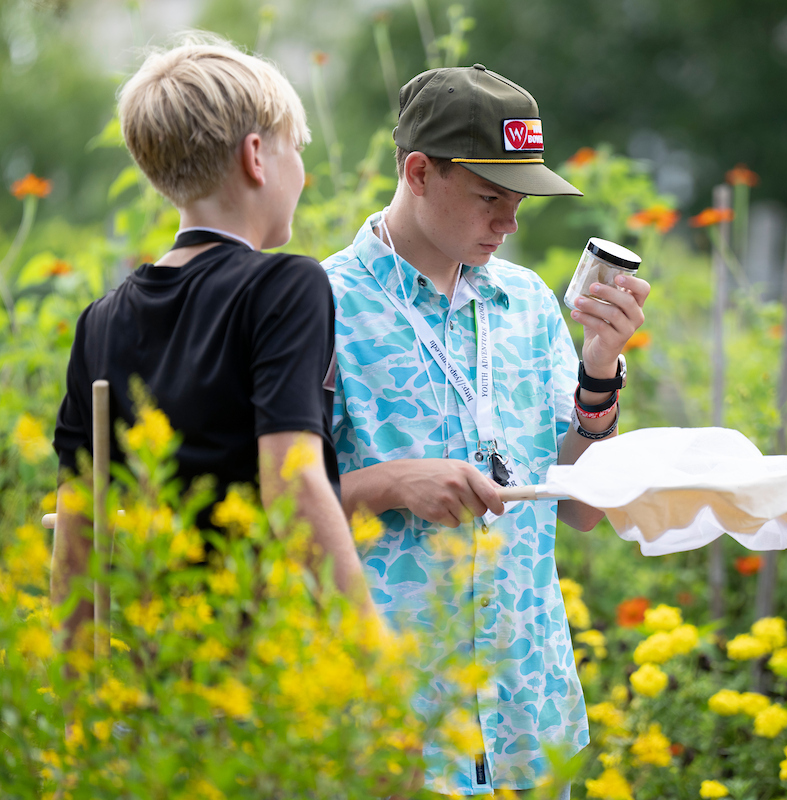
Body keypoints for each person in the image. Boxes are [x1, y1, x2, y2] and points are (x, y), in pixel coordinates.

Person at [322, 64, 651, 796]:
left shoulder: (528, 303)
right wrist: (389, 484)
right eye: (489, 198)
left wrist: (599, 372)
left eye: (519, 202)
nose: (508, 223)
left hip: (528, 714)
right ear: (417, 171)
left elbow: (579, 507)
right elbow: (273, 508)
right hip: (395, 718)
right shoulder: (321, 305)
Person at [50, 35, 375, 656]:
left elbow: (77, 530)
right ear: (257, 156)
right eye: (296, 151)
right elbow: (294, 480)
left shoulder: (100, 321)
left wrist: (77, 713)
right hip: (263, 677)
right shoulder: (284, 285)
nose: (301, 171)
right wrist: (374, 664)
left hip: (162, 674)